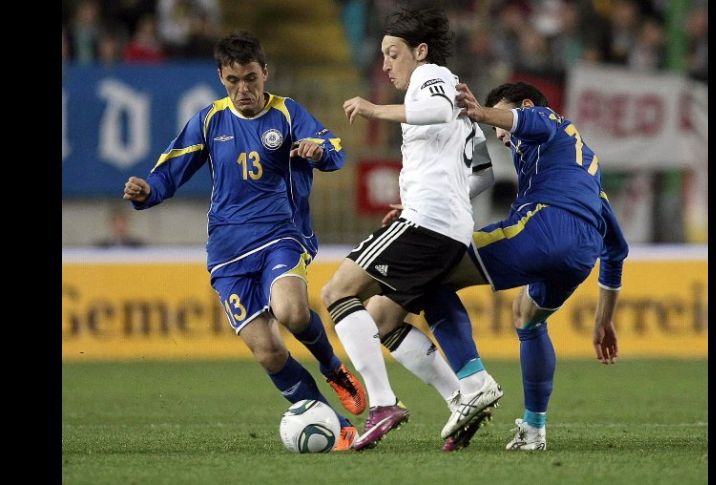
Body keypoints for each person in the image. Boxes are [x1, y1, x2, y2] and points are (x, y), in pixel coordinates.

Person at [121, 32, 366, 451]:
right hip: (227, 252)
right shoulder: (209, 120)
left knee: (291, 311)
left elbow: (334, 147)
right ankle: (336, 424)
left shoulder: (287, 113)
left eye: (250, 78)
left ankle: (332, 367)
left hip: (280, 234)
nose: (243, 89)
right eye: (233, 80)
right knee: (269, 352)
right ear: (221, 77)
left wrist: (318, 151)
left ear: (264, 73)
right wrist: (148, 192)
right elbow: (169, 171)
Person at [370, 81, 629, 451]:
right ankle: (534, 431)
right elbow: (616, 249)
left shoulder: (549, 121)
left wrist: (481, 113)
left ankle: (473, 383)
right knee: (527, 317)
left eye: (501, 126)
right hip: (582, 251)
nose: (502, 138)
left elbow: (529, 121)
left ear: (524, 106)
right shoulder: (582, 173)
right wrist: (604, 319)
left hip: (544, 226)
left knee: (432, 270)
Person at [320, 7, 503, 451]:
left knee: (336, 292)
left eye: (393, 53)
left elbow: (437, 110)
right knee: (383, 319)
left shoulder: (432, 76)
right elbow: (483, 173)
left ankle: (383, 403)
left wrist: (373, 108)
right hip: (447, 225)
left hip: (427, 224)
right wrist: (439, 194)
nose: (386, 65)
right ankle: (462, 399)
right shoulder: (458, 98)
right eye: (383, 55)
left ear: (420, 51)